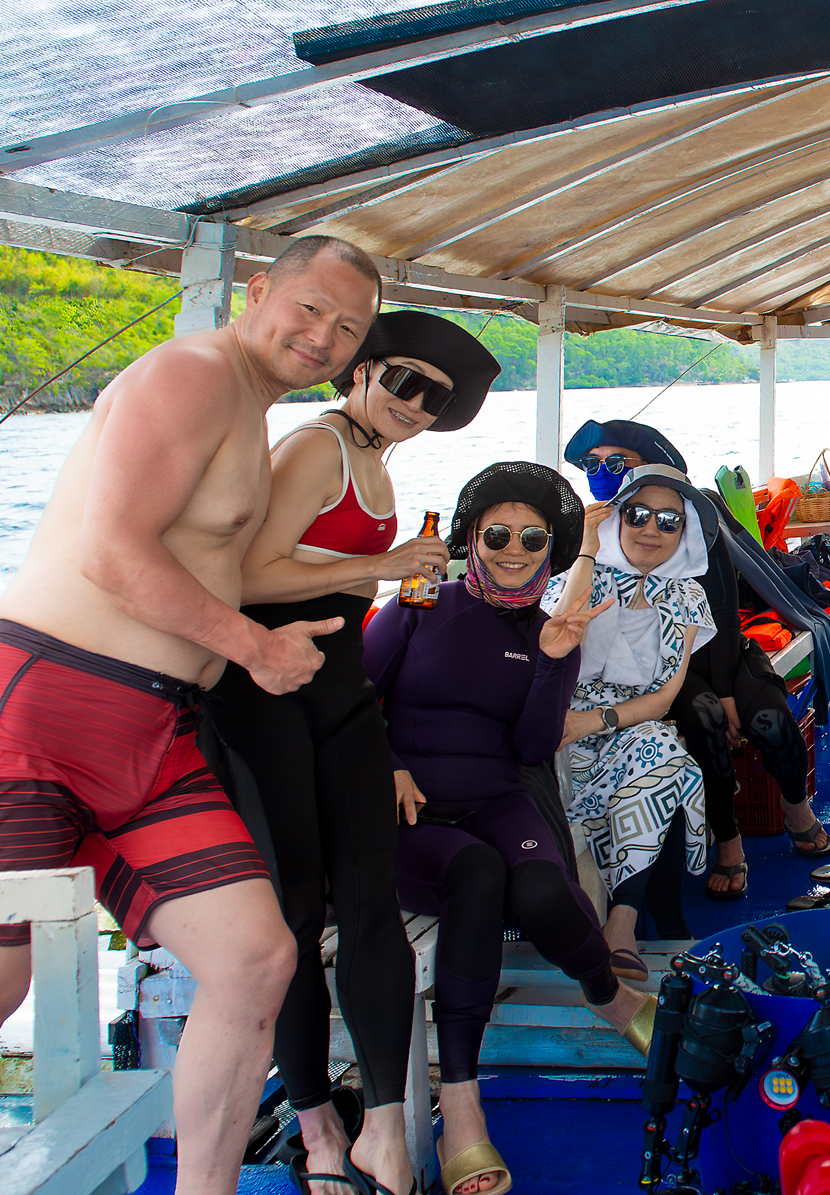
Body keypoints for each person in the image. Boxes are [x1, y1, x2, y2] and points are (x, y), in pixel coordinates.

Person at [0, 235, 380, 1195]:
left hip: (155, 729)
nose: (324, 336)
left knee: (255, 958)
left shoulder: (249, 407)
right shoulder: (194, 373)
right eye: (309, 308)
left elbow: (211, 561)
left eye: (348, 328)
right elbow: (112, 552)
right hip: (46, 713)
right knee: (2, 982)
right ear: (256, 291)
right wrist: (254, 647)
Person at [213, 311, 501, 1195]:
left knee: (372, 902)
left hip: (340, 699)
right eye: (404, 380)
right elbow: (245, 575)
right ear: (363, 371)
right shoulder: (316, 447)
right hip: (265, 702)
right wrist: (378, 570)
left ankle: (382, 1129)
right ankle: (317, 1130)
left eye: (435, 397)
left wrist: (392, 577)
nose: (417, 403)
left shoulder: (374, 459)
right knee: (296, 918)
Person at [364, 462, 653, 1195]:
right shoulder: (418, 604)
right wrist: (387, 762)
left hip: (497, 796)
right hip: (407, 812)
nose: (514, 549)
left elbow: (530, 748)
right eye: (497, 534)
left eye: (532, 537)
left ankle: (608, 994)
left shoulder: (549, 629)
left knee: (545, 890)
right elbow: (353, 696)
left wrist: (554, 660)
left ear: (551, 546)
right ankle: (462, 1108)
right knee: (476, 873)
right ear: (471, 537)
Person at [563, 420, 830, 900]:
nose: (603, 474)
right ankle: (728, 840)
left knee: (769, 719)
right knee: (706, 721)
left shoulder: (691, 516)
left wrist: (728, 691)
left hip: (722, 649)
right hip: (664, 666)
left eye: (616, 463)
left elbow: (724, 611)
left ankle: (796, 808)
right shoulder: (594, 532)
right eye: (593, 465)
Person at [550, 464, 716, 977]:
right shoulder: (580, 578)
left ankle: (622, 922)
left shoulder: (687, 597)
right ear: (614, 520)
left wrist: (594, 721)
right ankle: (657, 924)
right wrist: (585, 550)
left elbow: (663, 699)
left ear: (684, 533)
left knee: (663, 751)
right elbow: (556, 632)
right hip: (554, 733)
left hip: (620, 728)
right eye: (637, 515)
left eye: (669, 521)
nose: (651, 530)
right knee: (667, 760)